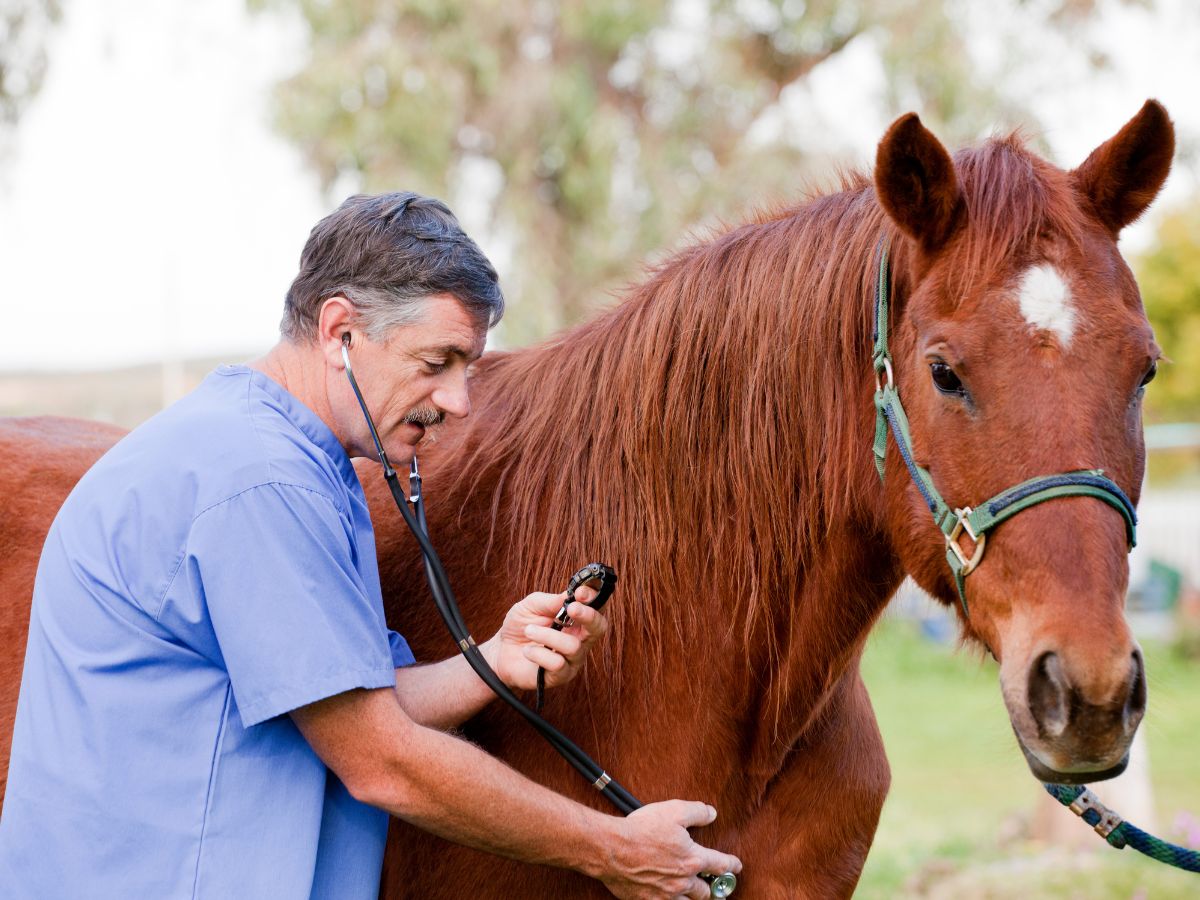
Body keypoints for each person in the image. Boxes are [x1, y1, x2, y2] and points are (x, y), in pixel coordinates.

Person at [0, 192, 741, 899]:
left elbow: (346, 697)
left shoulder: (286, 457)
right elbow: (381, 759)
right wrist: (615, 851)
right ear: (339, 331)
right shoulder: (260, 482)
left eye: (468, 369)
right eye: (436, 364)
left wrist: (494, 659)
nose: (459, 401)